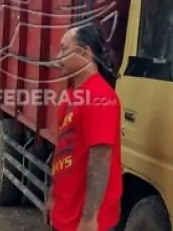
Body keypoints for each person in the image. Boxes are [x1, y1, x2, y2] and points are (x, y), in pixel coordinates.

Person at [45, 23, 122, 231]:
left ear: (85, 53)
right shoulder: (73, 94)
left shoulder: (100, 97)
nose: (58, 56)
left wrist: (90, 218)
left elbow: (101, 158)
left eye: (64, 49)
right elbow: (63, 149)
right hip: (65, 213)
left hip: (84, 222)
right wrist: (52, 195)